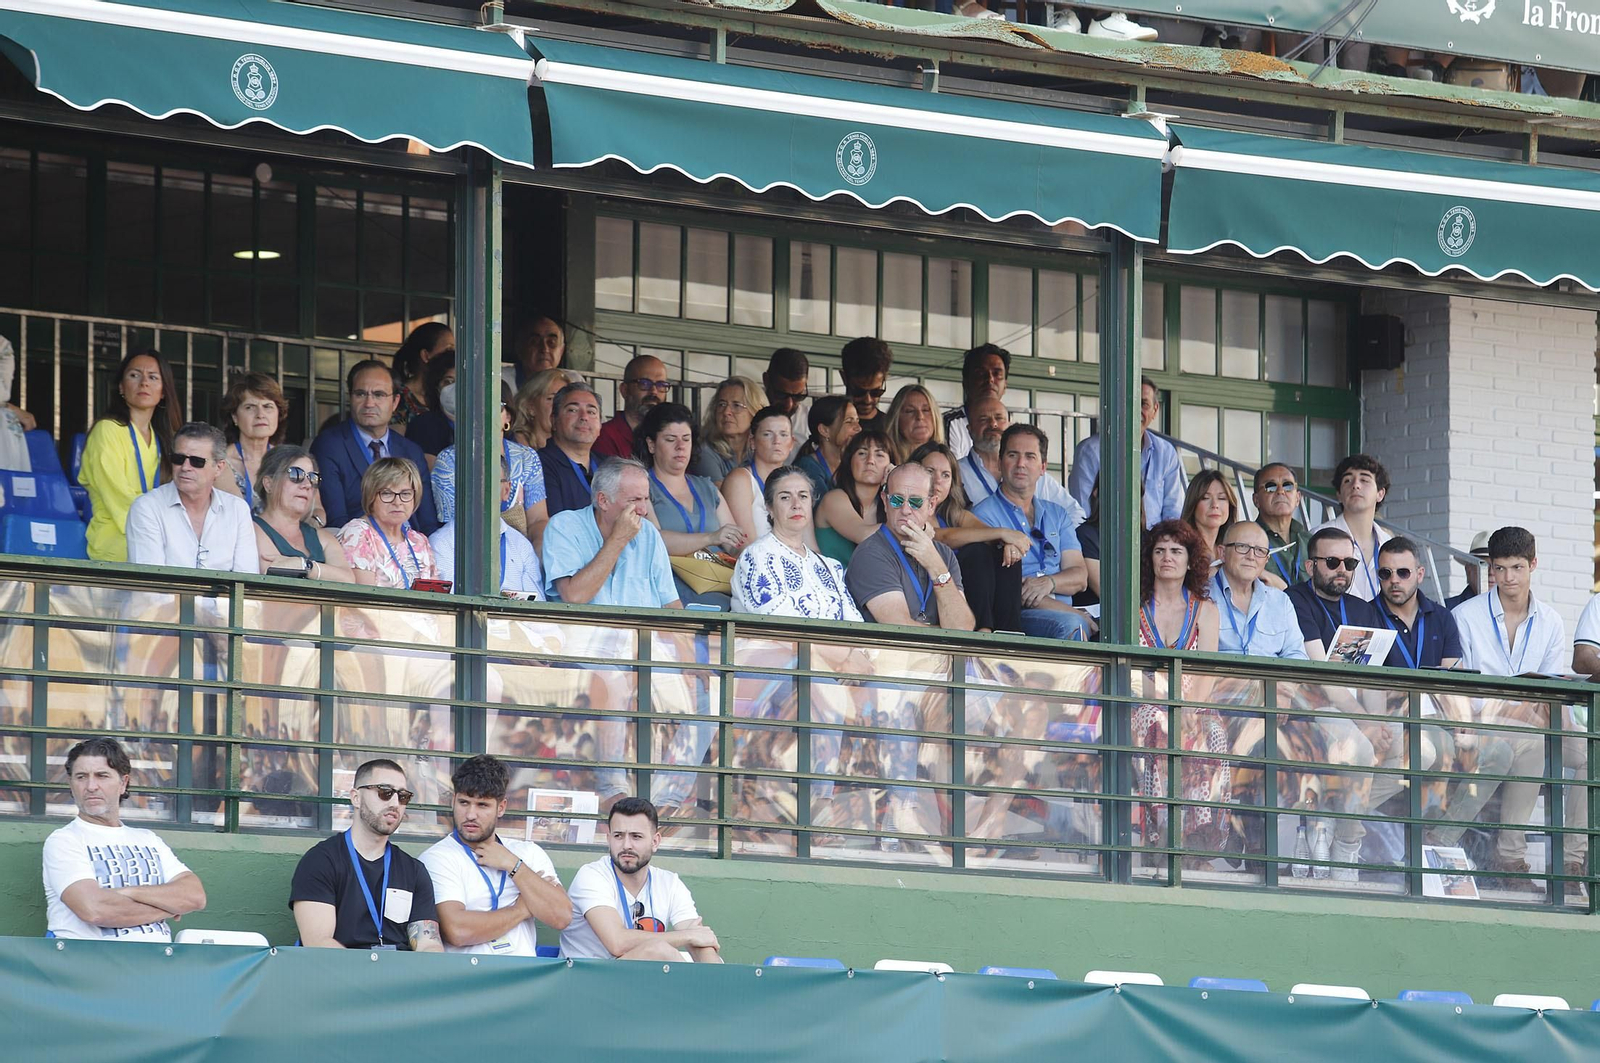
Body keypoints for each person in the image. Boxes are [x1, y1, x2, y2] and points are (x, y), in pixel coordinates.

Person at [1446, 527, 1582, 888]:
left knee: (1590, 754)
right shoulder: (1465, 616)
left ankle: (1572, 863)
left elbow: (1552, 689)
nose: (1508, 578)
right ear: (1491, 567)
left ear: (1533, 564)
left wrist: (1563, 722)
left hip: (1534, 720)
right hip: (1484, 724)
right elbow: (1462, 690)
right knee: (1531, 742)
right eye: (1500, 568)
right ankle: (1510, 859)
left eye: (1517, 568)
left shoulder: (1551, 621)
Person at [42, 737, 207, 941]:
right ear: (71, 784)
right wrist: (168, 908)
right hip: (89, 958)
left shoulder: (148, 840)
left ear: (123, 783)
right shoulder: (64, 841)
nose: (91, 786)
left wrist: (129, 892)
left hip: (156, 958)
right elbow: (94, 910)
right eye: (81, 777)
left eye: (102, 776)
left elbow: (194, 896)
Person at [1129, 521, 1225, 861]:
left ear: (1190, 560)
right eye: (1159, 551)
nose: (1167, 557)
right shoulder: (1133, 608)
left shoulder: (1206, 609)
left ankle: (1201, 835)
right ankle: (1164, 831)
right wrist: (1169, 705)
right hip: (1146, 700)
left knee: (1211, 731)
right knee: (1158, 725)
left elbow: (1207, 671)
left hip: (1193, 703)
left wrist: (1187, 707)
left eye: (1176, 551)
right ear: (1149, 559)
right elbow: (1134, 671)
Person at [418, 754, 570, 956]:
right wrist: (522, 909)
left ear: (501, 807)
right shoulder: (438, 857)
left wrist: (514, 865)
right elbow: (457, 930)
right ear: (453, 801)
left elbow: (562, 916)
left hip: (524, 973)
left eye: (482, 805)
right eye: (464, 803)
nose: (471, 815)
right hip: (470, 973)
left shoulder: (527, 852)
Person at [289, 758, 442, 951]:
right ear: (356, 798)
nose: (395, 803)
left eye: (403, 796)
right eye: (385, 792)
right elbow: (319, 944)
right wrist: (370, 970)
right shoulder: (320, 861)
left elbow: (429, 944)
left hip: (400, 969)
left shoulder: (413, 871)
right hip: (341, 968)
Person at [559, 796, 722, 962]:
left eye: (636, 836)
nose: (626, 845)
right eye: (618, 836)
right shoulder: (591, 875)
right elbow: (617, 942)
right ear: (608, 839)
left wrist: (709, 959)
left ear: (655, 842)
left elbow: (700, 937)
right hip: (587, 975)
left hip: (635, 975)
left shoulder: (669, 883)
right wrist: (688, 936)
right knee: (658, 951)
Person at [971, 425, 1092, 641]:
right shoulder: (982, 515)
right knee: (1074, 626)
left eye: (1030, 456)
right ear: (999, 462)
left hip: (1065, 614)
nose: (1021, 464)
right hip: (1018, 617)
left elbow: (1080, 577)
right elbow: (1008, 590)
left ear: (1043, 467)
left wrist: (1049, 582)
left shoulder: (1058, 514)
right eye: (1012, 455)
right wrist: (1073, 613)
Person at [310, 359, 439, 534]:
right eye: (360, 394)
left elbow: (428, 522)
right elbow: (336, 520)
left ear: (395, 402)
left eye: (379, 395)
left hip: (411, 544)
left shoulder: (411, 451)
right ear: (350, 398)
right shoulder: (329, 445)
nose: (369, 403)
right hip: (357, 544)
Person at [80, 348, 184, 561]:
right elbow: (118, 498)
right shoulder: (107, 430)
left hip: (159, 542)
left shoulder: (163, 439)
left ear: (163, 391)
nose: (144, 383)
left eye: (153, 377)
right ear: (121, 386)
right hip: (117, 544)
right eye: (135, 375)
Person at [639, 403, 745, 608]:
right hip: (672, 598)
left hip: (723, 591)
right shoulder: (642, 486)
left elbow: (735, 542)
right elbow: (655, 540)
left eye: (686, 439)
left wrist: (744, 552)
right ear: (651, 445)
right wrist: (711, 537)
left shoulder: (708, 487)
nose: (680, 446)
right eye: (670, 439)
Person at [846, 461, 974, 630]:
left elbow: (963, 629)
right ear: (885, 501)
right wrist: (945, 632)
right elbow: (901, 630)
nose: (905, 510)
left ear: (931, 505)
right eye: (897, 500)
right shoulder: (870, 553)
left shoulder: (943, 554)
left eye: (915, 502)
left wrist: (936, 566)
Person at [912, 441, 1024, 633]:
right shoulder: (909, 509)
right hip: (932, 589)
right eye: (930, 471)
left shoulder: (953, 513)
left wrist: (1007, 543)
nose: (937, 481)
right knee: (976, 552)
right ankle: (983, 630)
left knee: (1004, 555)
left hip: (964, 592)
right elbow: (942, 537)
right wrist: (1002, 533)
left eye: (945, 475)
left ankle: (1009, 634)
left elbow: (985, 533)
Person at [542, 458, 681, 608]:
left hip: (643, 625)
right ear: (603, 500)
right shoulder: (564, 526)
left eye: (645, 499)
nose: (643, 510)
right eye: (634, 500)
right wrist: (618, 539)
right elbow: (573, 597)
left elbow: (671, 605)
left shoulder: (649, 533)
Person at [125, 423, 259, 573]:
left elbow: (246, 578)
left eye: (197, 462)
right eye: (178, 458)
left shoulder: (237, 510)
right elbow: (149, 581)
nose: (185, 467)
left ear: (219, 468)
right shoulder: (147, 507)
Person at [733, 467, 861, 621]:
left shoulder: (830, 567)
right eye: (785, 498)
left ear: (811, 503)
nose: (796, 504)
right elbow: (775, 619)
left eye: (803, 496)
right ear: (770, 507)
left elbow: (853, 622)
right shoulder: (757, 556)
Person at [432, 382, 547, 538]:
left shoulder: (526, 457)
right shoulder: (449, 461)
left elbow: (538, 520)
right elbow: (453, 527)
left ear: (508, 416)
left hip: (519, 548)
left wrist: (538, 549)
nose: (484, 413)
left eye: (495, 406)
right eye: (476, 406)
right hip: (468, 548)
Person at [1068, 376, 1184, 528]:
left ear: (1155, 410)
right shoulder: (1090, 451)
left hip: (1156, 541)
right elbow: (1082, 512)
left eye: (1143, 404)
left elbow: (1173, 514)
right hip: (1104, 539)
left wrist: (1163, 541)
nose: (1136, 410)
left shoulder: (1166, 452)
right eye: (1129, 403)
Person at [429, 453, 544, 596]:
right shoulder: (441, 542)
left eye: (490, 482)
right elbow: (449, 604)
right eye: (473, 482)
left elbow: (535, 603)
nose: (481, 489)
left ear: (506, 491)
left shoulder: (521, 545)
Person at [957, 395, 1084, 521]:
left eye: (999, 418)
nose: (993, 424)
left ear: (1008, 424)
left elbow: (1075, 513)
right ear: (969, 429)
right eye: (983, 419)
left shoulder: (1035, 473)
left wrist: (1058, 532)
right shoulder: (956, 472)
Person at [253, 445, 356, 582]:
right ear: (269, 484)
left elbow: (348, 579)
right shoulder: (252, 530)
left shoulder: (322, 537)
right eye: (296, 475)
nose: (307, 485)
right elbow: (276, 575)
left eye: (313, 478)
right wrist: (323, 571)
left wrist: (305, 566)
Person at [1210, 521, 1308, 660]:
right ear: (1222, 553)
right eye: (1242, 547)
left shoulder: (1281, 602)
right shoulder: (1200, 596)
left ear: (1266, 560)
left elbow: (1297, 655)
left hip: (1271, 674)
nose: (1251, 556)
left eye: (1260, 551)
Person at [337, 457, 439, 589]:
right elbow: (363, 597)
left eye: (405, 493)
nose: (397, 502)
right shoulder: (357, 533)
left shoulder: (419, 540)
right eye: (387, 494)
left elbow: (434, 594)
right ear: (371, 496)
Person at [1285, 528, 1382, 660]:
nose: (1342, 569)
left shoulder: (1364, 610)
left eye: (1349, 563)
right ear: (1310, 567)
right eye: (1332, 562)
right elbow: (1317, 664)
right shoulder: (1294, 599)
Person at [1374, 537, 1462, 669]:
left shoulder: (1443, 618)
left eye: (1403, 573)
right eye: (1385, 573)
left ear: (1420, 575)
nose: (1394, 580)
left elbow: (1452, 677)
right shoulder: (1364, 616)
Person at [1313, 454, 1392, 602]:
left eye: (1364, 480)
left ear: (1380, 494)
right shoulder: (1319, 537)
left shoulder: (1387, 542)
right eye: (1347, 480)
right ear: (1339, 494)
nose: (1355, 485)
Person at [814, 429, 892, 565]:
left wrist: (898, 486)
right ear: (849, 461)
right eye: (862, 453)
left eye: (879, 455)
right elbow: (865, 535)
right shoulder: (834, 499)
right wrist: (915, 528)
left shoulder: (888, 505)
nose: (870, 461)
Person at [218, 371, 288, 514]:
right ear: (235, 417)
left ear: (278, 413)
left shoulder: (288, 461)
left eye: (267, 406)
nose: (260, 414)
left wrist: (313, 521)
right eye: (250, 407)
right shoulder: (220, 462)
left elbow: (316, 508)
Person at [721, 406, 793, 545]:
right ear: (752, 442)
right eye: (767, 434)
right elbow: (746, 545)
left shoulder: (797, 482)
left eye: (783, 434)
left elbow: (809, 543)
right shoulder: (741, 480)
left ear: (792, 443)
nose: (776, 441)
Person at [536, 381, 603, 528]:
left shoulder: (609, 465)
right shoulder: (539, 464)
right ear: (553, 420)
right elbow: (557, 526)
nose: (584, 417)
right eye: (573, 410)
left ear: (600, 425)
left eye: (591, 412)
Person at [691, 376, 767, 485]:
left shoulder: (763, 449)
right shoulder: (704, 452)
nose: (726, 412)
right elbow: (721, 494)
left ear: (756, 411)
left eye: (736, 405)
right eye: (722, 404)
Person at [594, 354, 670, 460]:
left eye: (661, 385)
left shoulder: (669, 436)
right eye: (644, 384)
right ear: (625, 390)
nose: (654, 391)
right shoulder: (604, 436)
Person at [944, 343, 1009, 459]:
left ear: (1005, 385)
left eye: (997, 374)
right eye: (980, 373)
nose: (990, 379)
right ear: (965, 383)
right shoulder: (948, 423)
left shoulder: (1011, 429)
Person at [1252, 462, 1309, 591]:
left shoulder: (1310, 541)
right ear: (1256, 500)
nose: (1280, 491)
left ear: (1298, 498)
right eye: (1271, 487)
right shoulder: (1247, 542)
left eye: (1287, 485)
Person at [391, 322, 455, 432]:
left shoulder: (448, 395)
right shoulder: (398, 398)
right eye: (448, 350)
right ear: (425, 355)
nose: (453, 356)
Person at [793, 394, 859, 500]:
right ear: (824, 430)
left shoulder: (851, 463)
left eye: (857, 421)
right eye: (849, 422)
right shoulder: (808, 468)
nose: (858, 428)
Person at [402, 350, 457, 464]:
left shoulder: (480, 425)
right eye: (448, 382)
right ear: (436, 387)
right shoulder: (424, 425)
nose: (455, 387)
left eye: (463, 381)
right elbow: (432, 470)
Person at [511, 368, 583, 451]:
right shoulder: (511, 447)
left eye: (565, 400)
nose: (559, 405)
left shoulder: (573, 449)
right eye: (551, 398)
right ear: (531, 407)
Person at [1179, 469, 1237, 565]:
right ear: (1193, 504)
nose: (1215, 505)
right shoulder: (1181, 548)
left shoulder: (1232, 549)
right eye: (1205, 498)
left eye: (1222, 498)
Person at [762, 348, 811, 458]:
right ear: (766, 380)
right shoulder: (746, 416)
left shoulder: (812, 421)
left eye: (798, 396)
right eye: (781, 395)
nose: (789, 405)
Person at [840, 337, 893, 433]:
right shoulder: (829, 423)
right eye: (859, 392)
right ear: (844, 378)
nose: (867, 400)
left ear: (885, 378)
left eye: (875, 392)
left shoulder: (891, 429)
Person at [501, 314, 566, 392]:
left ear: (561, 350)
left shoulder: (570, 384)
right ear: (519, 348)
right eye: (535, 341)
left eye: (551, 342)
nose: (544, 349)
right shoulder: (500, 381)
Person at [883, 384, 944, 462]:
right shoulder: (884, 461)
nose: (920, 416)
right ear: (896, 419)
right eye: (910, 411)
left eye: (925, 410)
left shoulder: (947, 462)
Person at [1444, 530, 1492, 610]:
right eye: (1484, 565)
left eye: (1498, 567)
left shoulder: (1511, 609)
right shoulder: (1448, 608)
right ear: (1469, 569)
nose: (1491, 572)